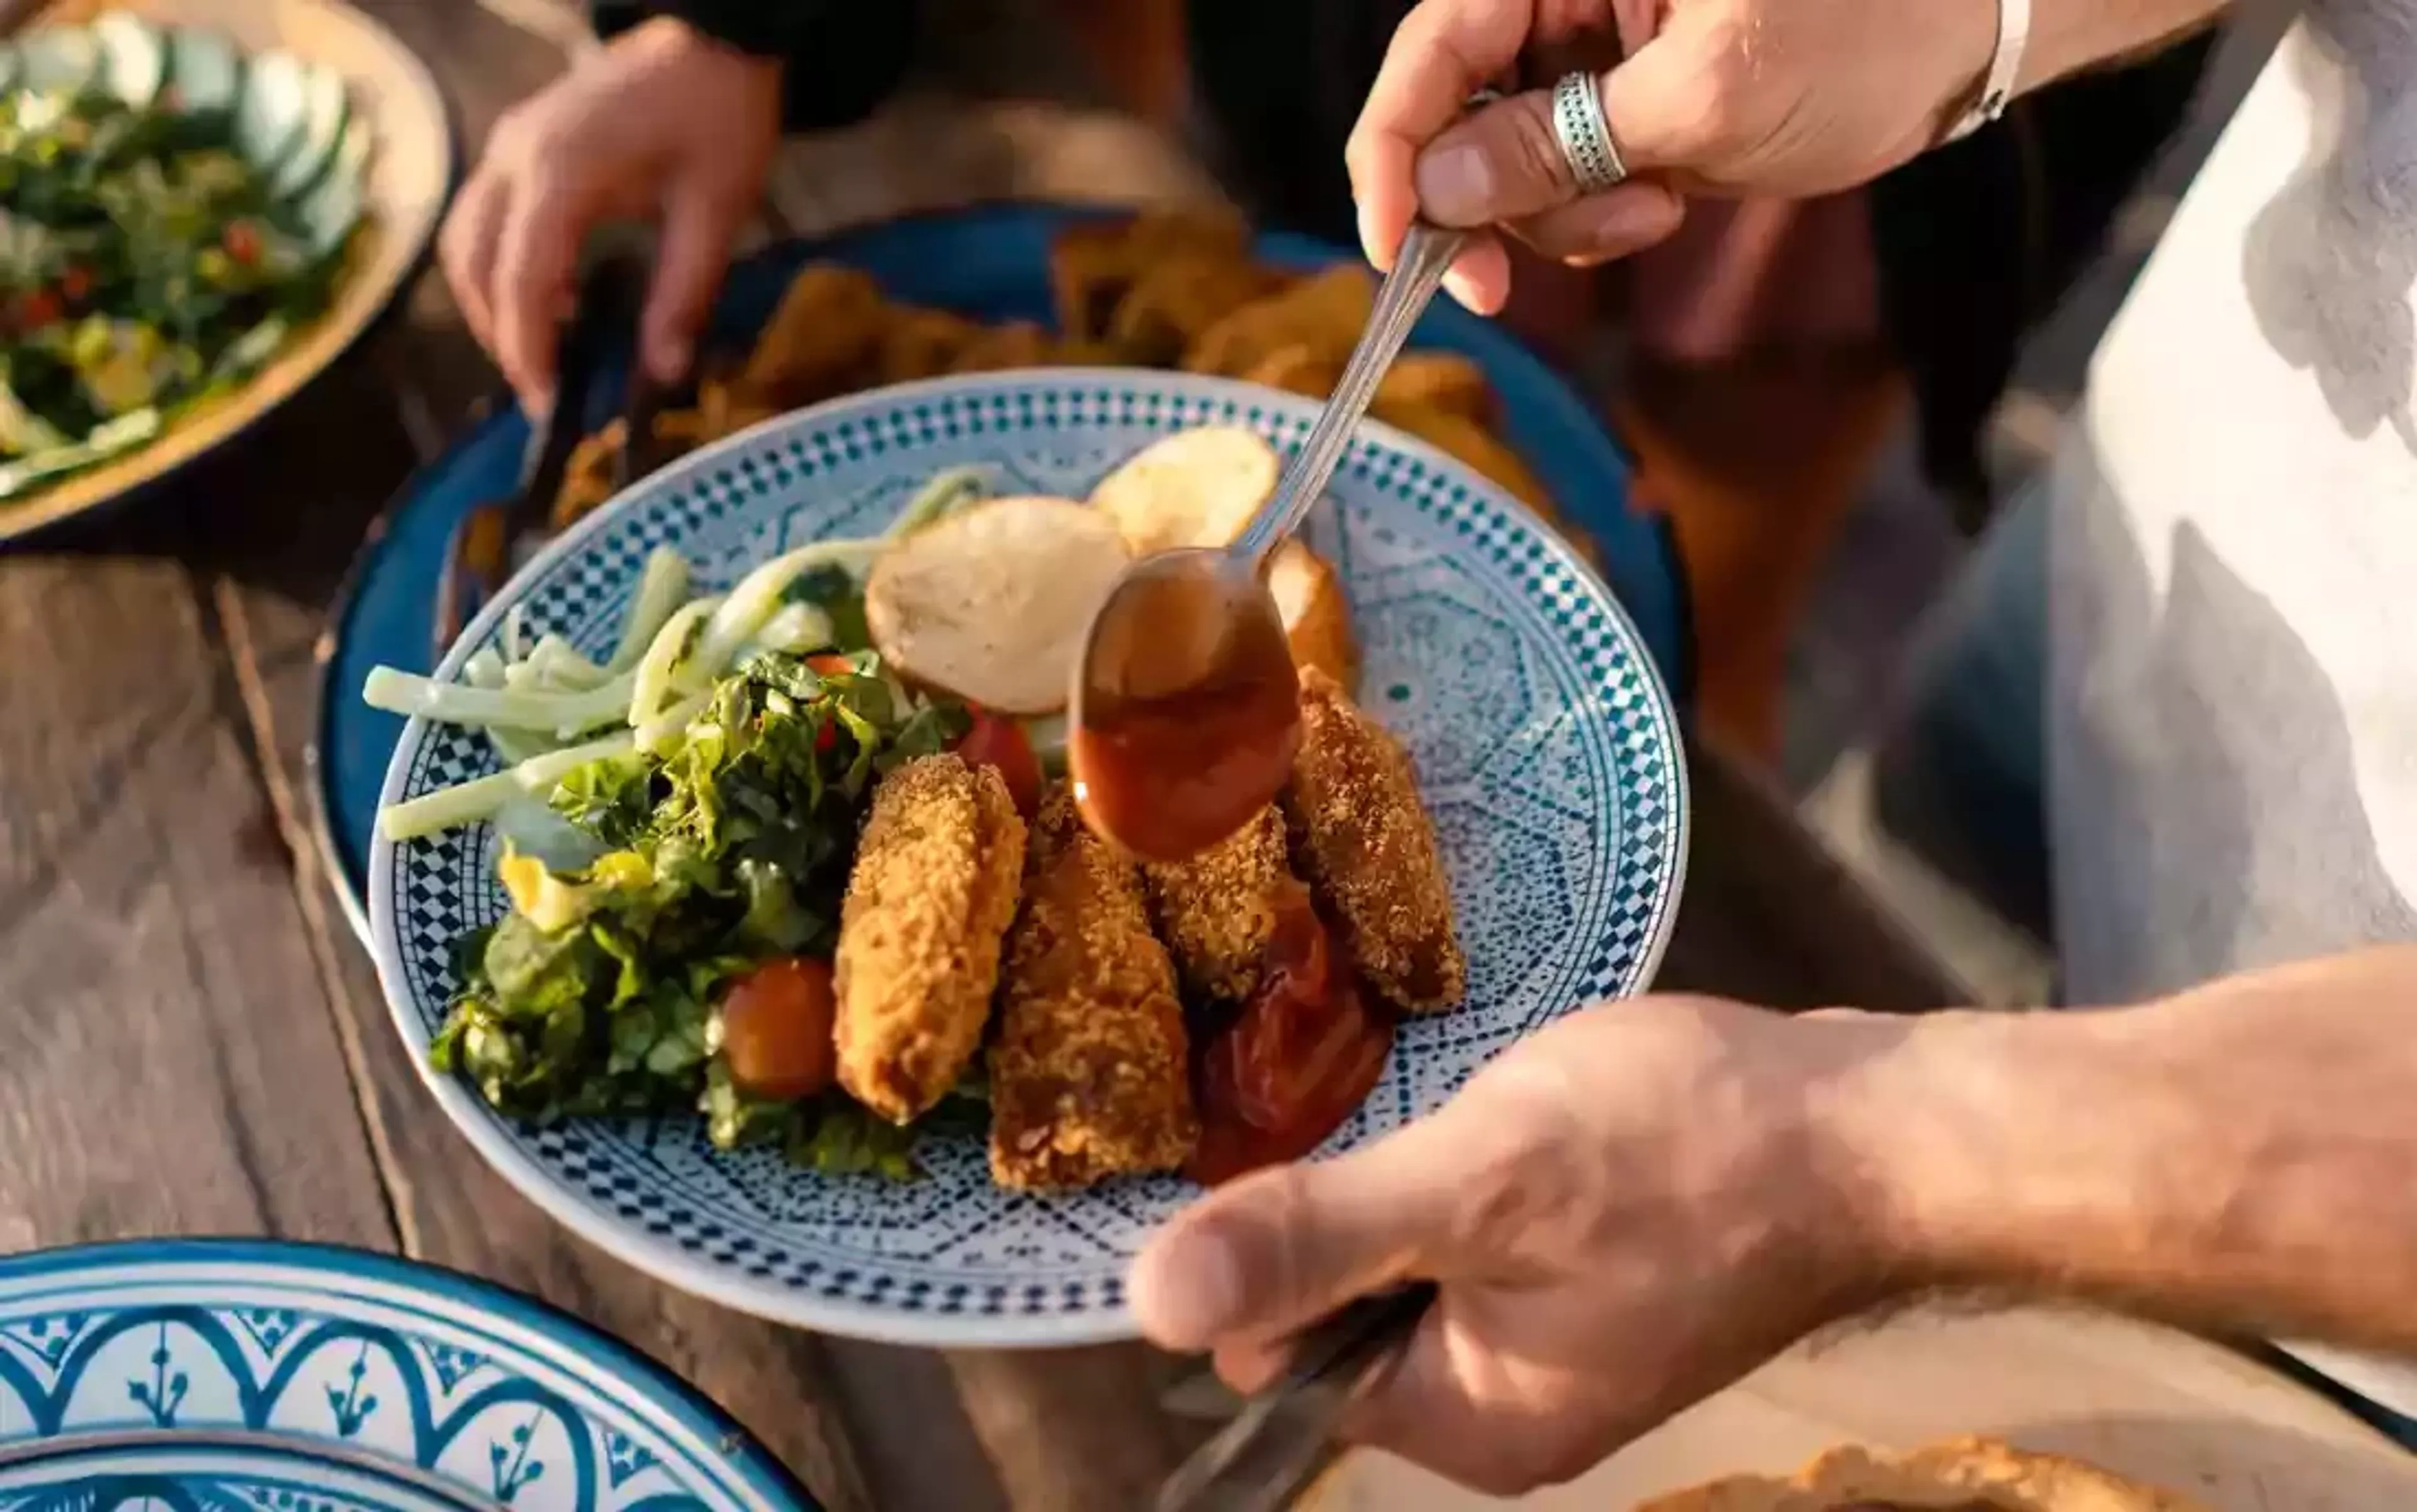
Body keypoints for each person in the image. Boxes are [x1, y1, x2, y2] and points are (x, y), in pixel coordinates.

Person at [1129, 0, 2417, 1493]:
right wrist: (1983, 22)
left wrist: (1853, 1164)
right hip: (2172, 546)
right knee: (1896, 882)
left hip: (2352, 1290)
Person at [441, 1, 2209, 756]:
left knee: (1687, 629)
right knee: (1336, 236)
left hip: (1905, 109)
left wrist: (1985, 22)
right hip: (1368, 37)